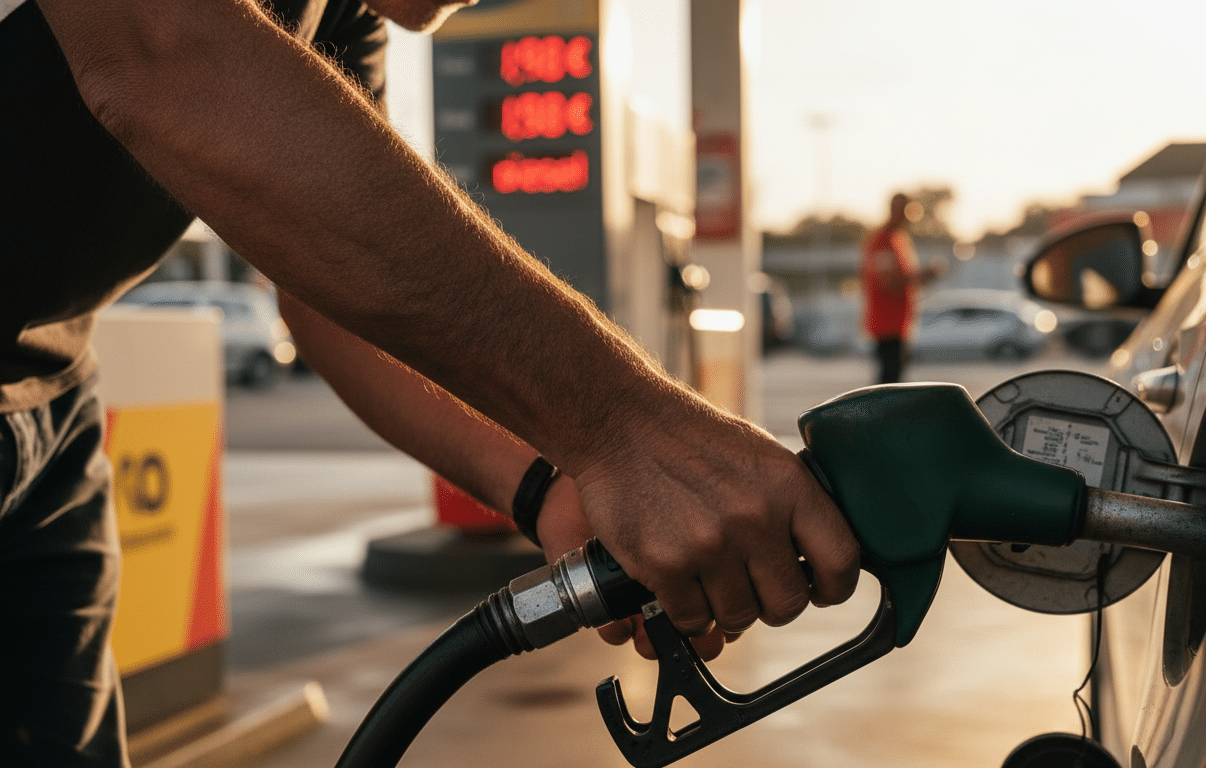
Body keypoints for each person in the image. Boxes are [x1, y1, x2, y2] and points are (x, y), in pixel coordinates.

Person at [0, 1, 861, 765]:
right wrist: (621, 421)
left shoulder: (339, 13)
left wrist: (546, 487)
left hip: (50, 394)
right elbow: (165, 51)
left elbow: (325, 295)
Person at [860, 193, 944, 384]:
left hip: (899, 324)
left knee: (895, 379)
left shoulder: (900, 240)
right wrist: (926, 274)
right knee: (888, 382)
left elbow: (903, 281)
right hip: (886, 324)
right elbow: (889, 283)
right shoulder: (882, 241)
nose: (908, 215)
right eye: (904, 210)